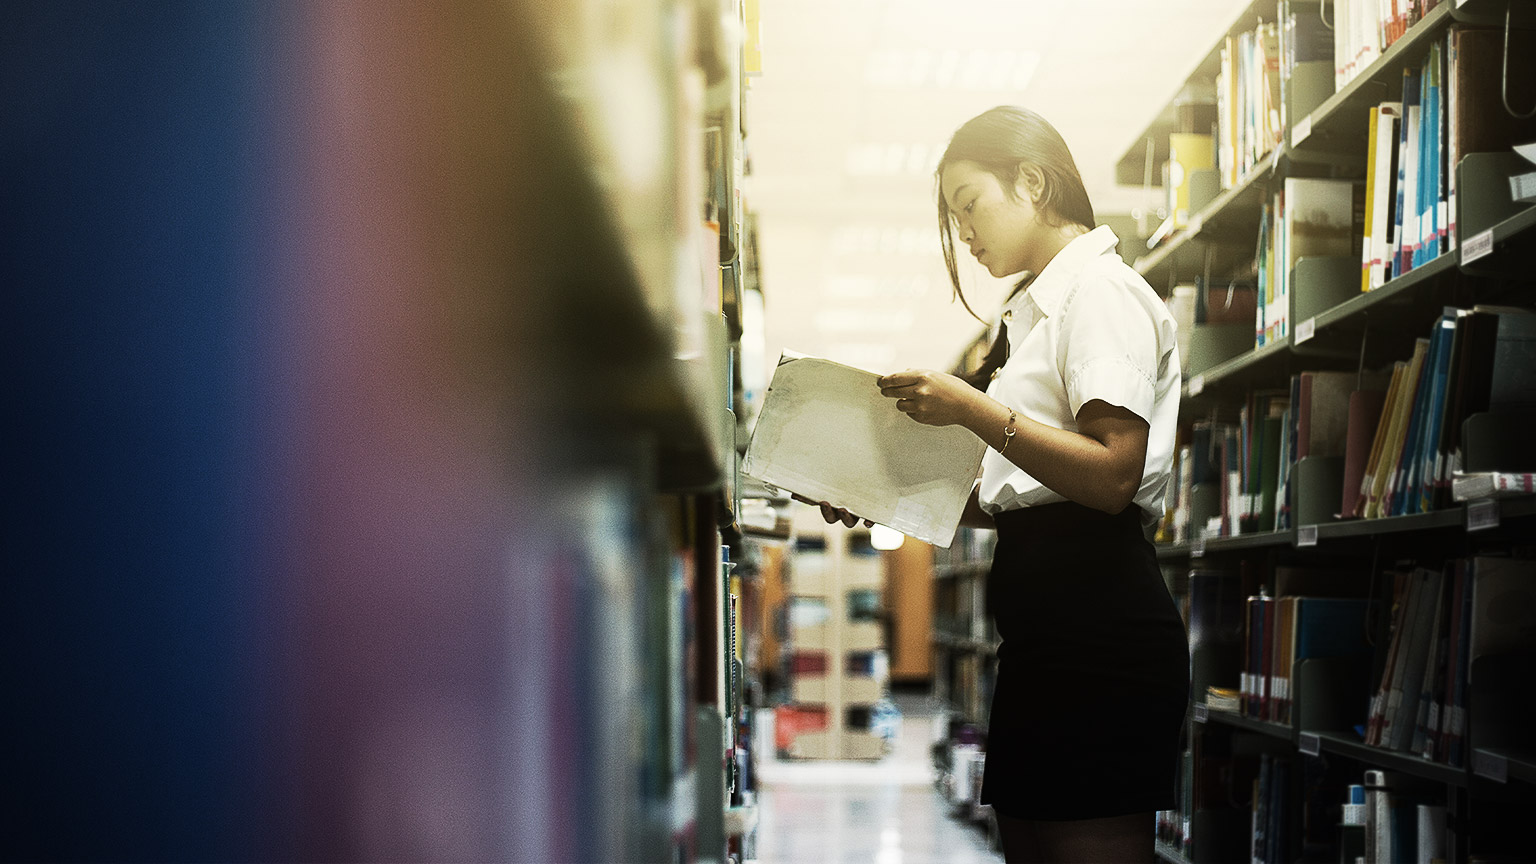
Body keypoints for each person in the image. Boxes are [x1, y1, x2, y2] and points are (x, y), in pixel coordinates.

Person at [817, 106, 1189, 863]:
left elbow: (1114, 472)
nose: (965, 233)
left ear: (1032, 181)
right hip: (1043, 642)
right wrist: (879, 491)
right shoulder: (1036, 313)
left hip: (1100, 636)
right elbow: (1017, 495)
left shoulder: (1100, 295)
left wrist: (971, 405)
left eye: (970, 206)